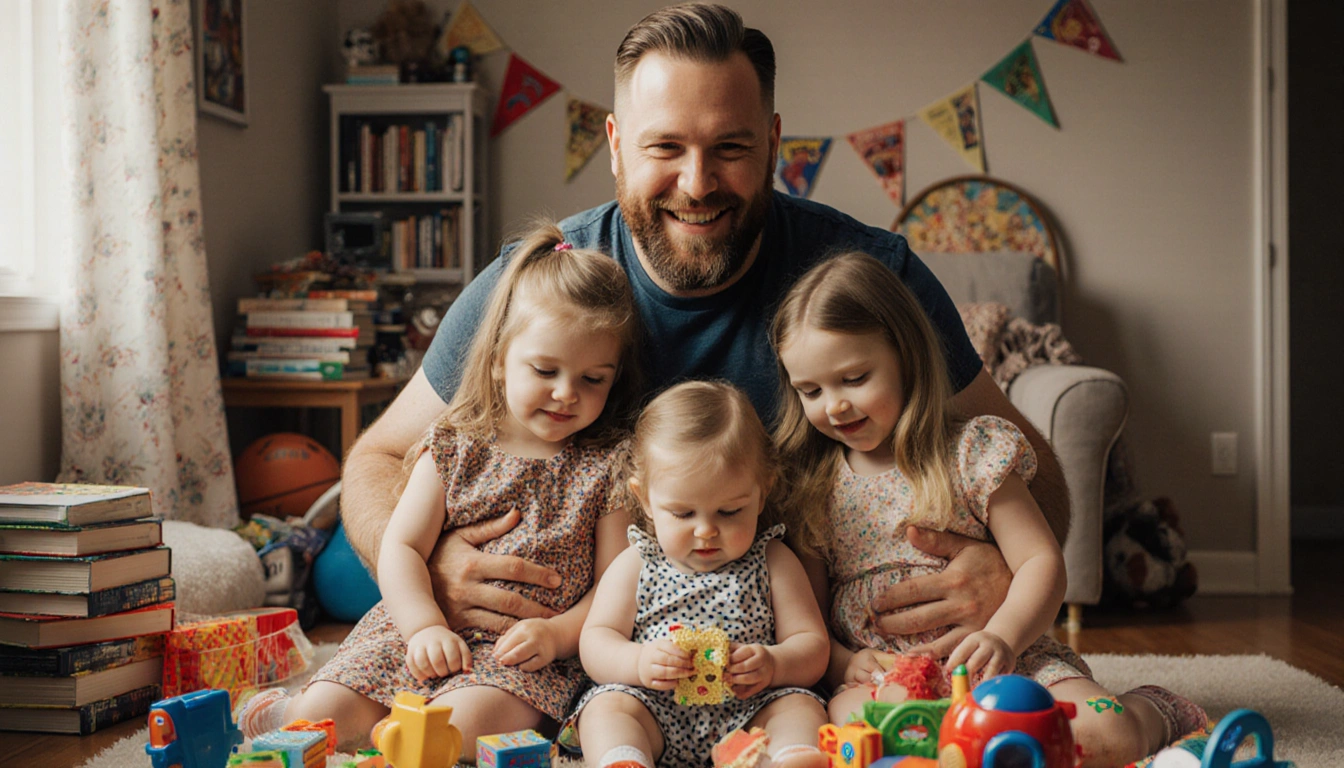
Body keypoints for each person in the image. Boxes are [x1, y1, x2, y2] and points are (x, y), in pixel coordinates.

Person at [340, 1, 1068, 663]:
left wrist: (1007, 571)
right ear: (617, 146)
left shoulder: (869, 281)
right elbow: (376, 459)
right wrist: (422, 565)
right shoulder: (540, 285)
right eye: (666, 148)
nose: (696, 183)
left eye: (730, 148)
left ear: (774, 144)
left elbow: (1041, 477)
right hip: (590, 664)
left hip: (818, 663)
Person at [771, 252, 1207, 767]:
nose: (835, 405)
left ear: (906, 359)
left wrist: (1004, 635)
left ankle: (1153, 711)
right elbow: (810, 618)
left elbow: (1041, 563)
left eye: (855, 378)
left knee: (1100, 734)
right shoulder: (811, 485)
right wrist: (845, 662)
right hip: (886, 679)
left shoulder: (972, 452)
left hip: (1007, 661)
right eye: (811, 390)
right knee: (861, 743)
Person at [237, 223, 643, 750]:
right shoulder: (454, 445)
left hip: (522, 658)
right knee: (324, 714)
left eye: (593, 379)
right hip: (420, 628)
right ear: (499, 362)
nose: (567, 394)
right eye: (545, 370)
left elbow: (616, 586)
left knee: (459, 728)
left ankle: (396, 744)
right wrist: (423, 625)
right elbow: (403, 545)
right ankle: (289, 710)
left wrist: (558, 634)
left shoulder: (608, 467)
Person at [562, 380, 831, 768]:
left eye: (729, 511)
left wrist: (774, 664)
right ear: (646, 500)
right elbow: (596, 641)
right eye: (683, 514)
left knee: (799, 707)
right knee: (607, 707)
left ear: (763, 490)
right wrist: (638, 662)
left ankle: (787, 758)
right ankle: (625, 759)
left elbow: (812, 644)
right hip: (655, 709)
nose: (705, 530)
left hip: (751, 711)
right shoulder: (638, 561)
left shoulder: (773, 560)